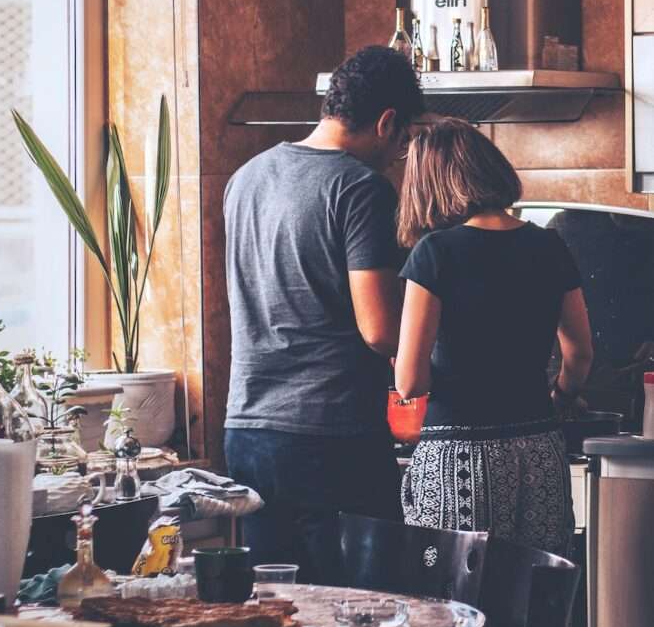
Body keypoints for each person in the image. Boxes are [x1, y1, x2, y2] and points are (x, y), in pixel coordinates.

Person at [223, 45, 423, 584]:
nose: (399, 154)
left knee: (279, 616)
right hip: (329, 437)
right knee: (368, 614)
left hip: (247, 431)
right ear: (387, 122)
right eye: (403, 141)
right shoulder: (360, 189)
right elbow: (380, 331)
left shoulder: (245, 179)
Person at [395, 118, 593, 555]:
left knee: (453, 605)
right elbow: (578, 353)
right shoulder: (549, 245)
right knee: (536, 595)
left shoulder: (435, 253)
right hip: (539, 448)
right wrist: (560, 398)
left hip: (458, 456)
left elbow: (410, 382)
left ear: (430, 184)